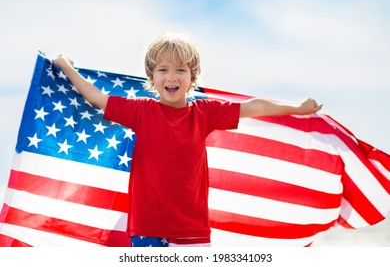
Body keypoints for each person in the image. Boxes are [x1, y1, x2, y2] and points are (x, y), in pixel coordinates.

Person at [53, 33, 322, 247]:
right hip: (148, 228)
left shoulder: (205, 113)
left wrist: (297, 108)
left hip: (192, 230)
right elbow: (97, 98)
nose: (172, 76)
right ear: (152, 77)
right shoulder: (142, 111)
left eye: (181, 70)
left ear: (192, 76)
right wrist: (66, 67)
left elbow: (254, 106)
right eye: (163, 69)